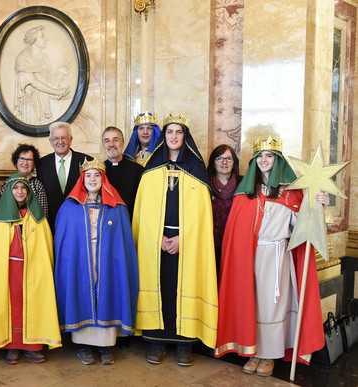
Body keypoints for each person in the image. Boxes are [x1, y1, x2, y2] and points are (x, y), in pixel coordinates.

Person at [214, 135, 328, 377]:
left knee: (273, 306)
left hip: (278, 256)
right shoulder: (245, 194)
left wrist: (318, 204)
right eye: (260, 157)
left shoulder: (291, 192)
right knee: (253, 304)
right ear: (254, 162)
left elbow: (305, 226)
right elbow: (237, 231)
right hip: (251, 258)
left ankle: (269, 356)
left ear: (277, 161)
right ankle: (254, 351)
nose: (264, 160)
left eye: (269, 156)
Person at [133, 113, 218, 367]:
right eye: (169, 132)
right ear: (164, 136)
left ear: (185, 137)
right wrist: (155, 237)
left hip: (186, 243)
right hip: (157, 243)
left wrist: (184, 238)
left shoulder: (196, 170)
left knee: (185, 287)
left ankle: (184, 345)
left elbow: (203, 216)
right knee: (160, 287)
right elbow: (142, 211)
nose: (173, 137)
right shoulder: (151, 170)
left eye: (178, 132)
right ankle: (157, 341)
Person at [54, 158, 139, 366]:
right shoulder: (69, 207)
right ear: (82, 180)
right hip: (79, 260)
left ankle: (105, 345)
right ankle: (83, 346)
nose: (93, 179)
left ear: (104, 179)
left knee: (107, 292)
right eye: (88, 175)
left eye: (97, 175)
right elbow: (63, 240)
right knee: (81, 292)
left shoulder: (117, 207)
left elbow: (123, 241)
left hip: (108, 259)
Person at [0, 174, 61, 364]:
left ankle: (33, 346)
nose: (19, 191)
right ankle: (11, 346)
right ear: (9, 191)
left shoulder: (38, 219)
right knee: (11, 307)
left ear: (29, 192)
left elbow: (45, 247)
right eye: (15, 188)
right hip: (8, 270)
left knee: (34, 305)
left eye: (23, 188)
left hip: (33, 269)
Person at [37, 121, 90, 233]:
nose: (60, 142)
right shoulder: (41, 164)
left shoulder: (86, 161)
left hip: (79, 224)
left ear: (70, 140)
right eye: (56, 138)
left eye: (64, 138)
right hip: (51, 225)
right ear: (50, 141)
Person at [14, 25, 70, 125]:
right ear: (34, 40)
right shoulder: (22, 58)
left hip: (44, 104)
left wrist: (61, 73)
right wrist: (57, 92)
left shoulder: (44, 58)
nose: (46, 39)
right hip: (30, 104)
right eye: (43, 37)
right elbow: (34, 82)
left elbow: (49, 82)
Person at [206, 144, 241, 276]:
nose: (224, 162)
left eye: (228, 159)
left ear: (234, 162)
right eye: (219, 158)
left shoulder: (243, 184)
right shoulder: (204, 184)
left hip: (235, 245)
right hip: (209, 244)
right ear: (213, 162)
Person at [102, 126, 143, 219]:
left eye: (115, 140)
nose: (111, 144)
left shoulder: (138, 170)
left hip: (130, 224)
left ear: (123, 144)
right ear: (103, 145)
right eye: (107, 141)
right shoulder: (98, 172)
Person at [0, 143, 48, 217]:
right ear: (16, 160)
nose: (25, 162)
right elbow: (0, 208)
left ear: (34, 163)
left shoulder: (38, 185)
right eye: (22, 158)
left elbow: (43, 213)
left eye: (29, 160)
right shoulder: (8, 182)